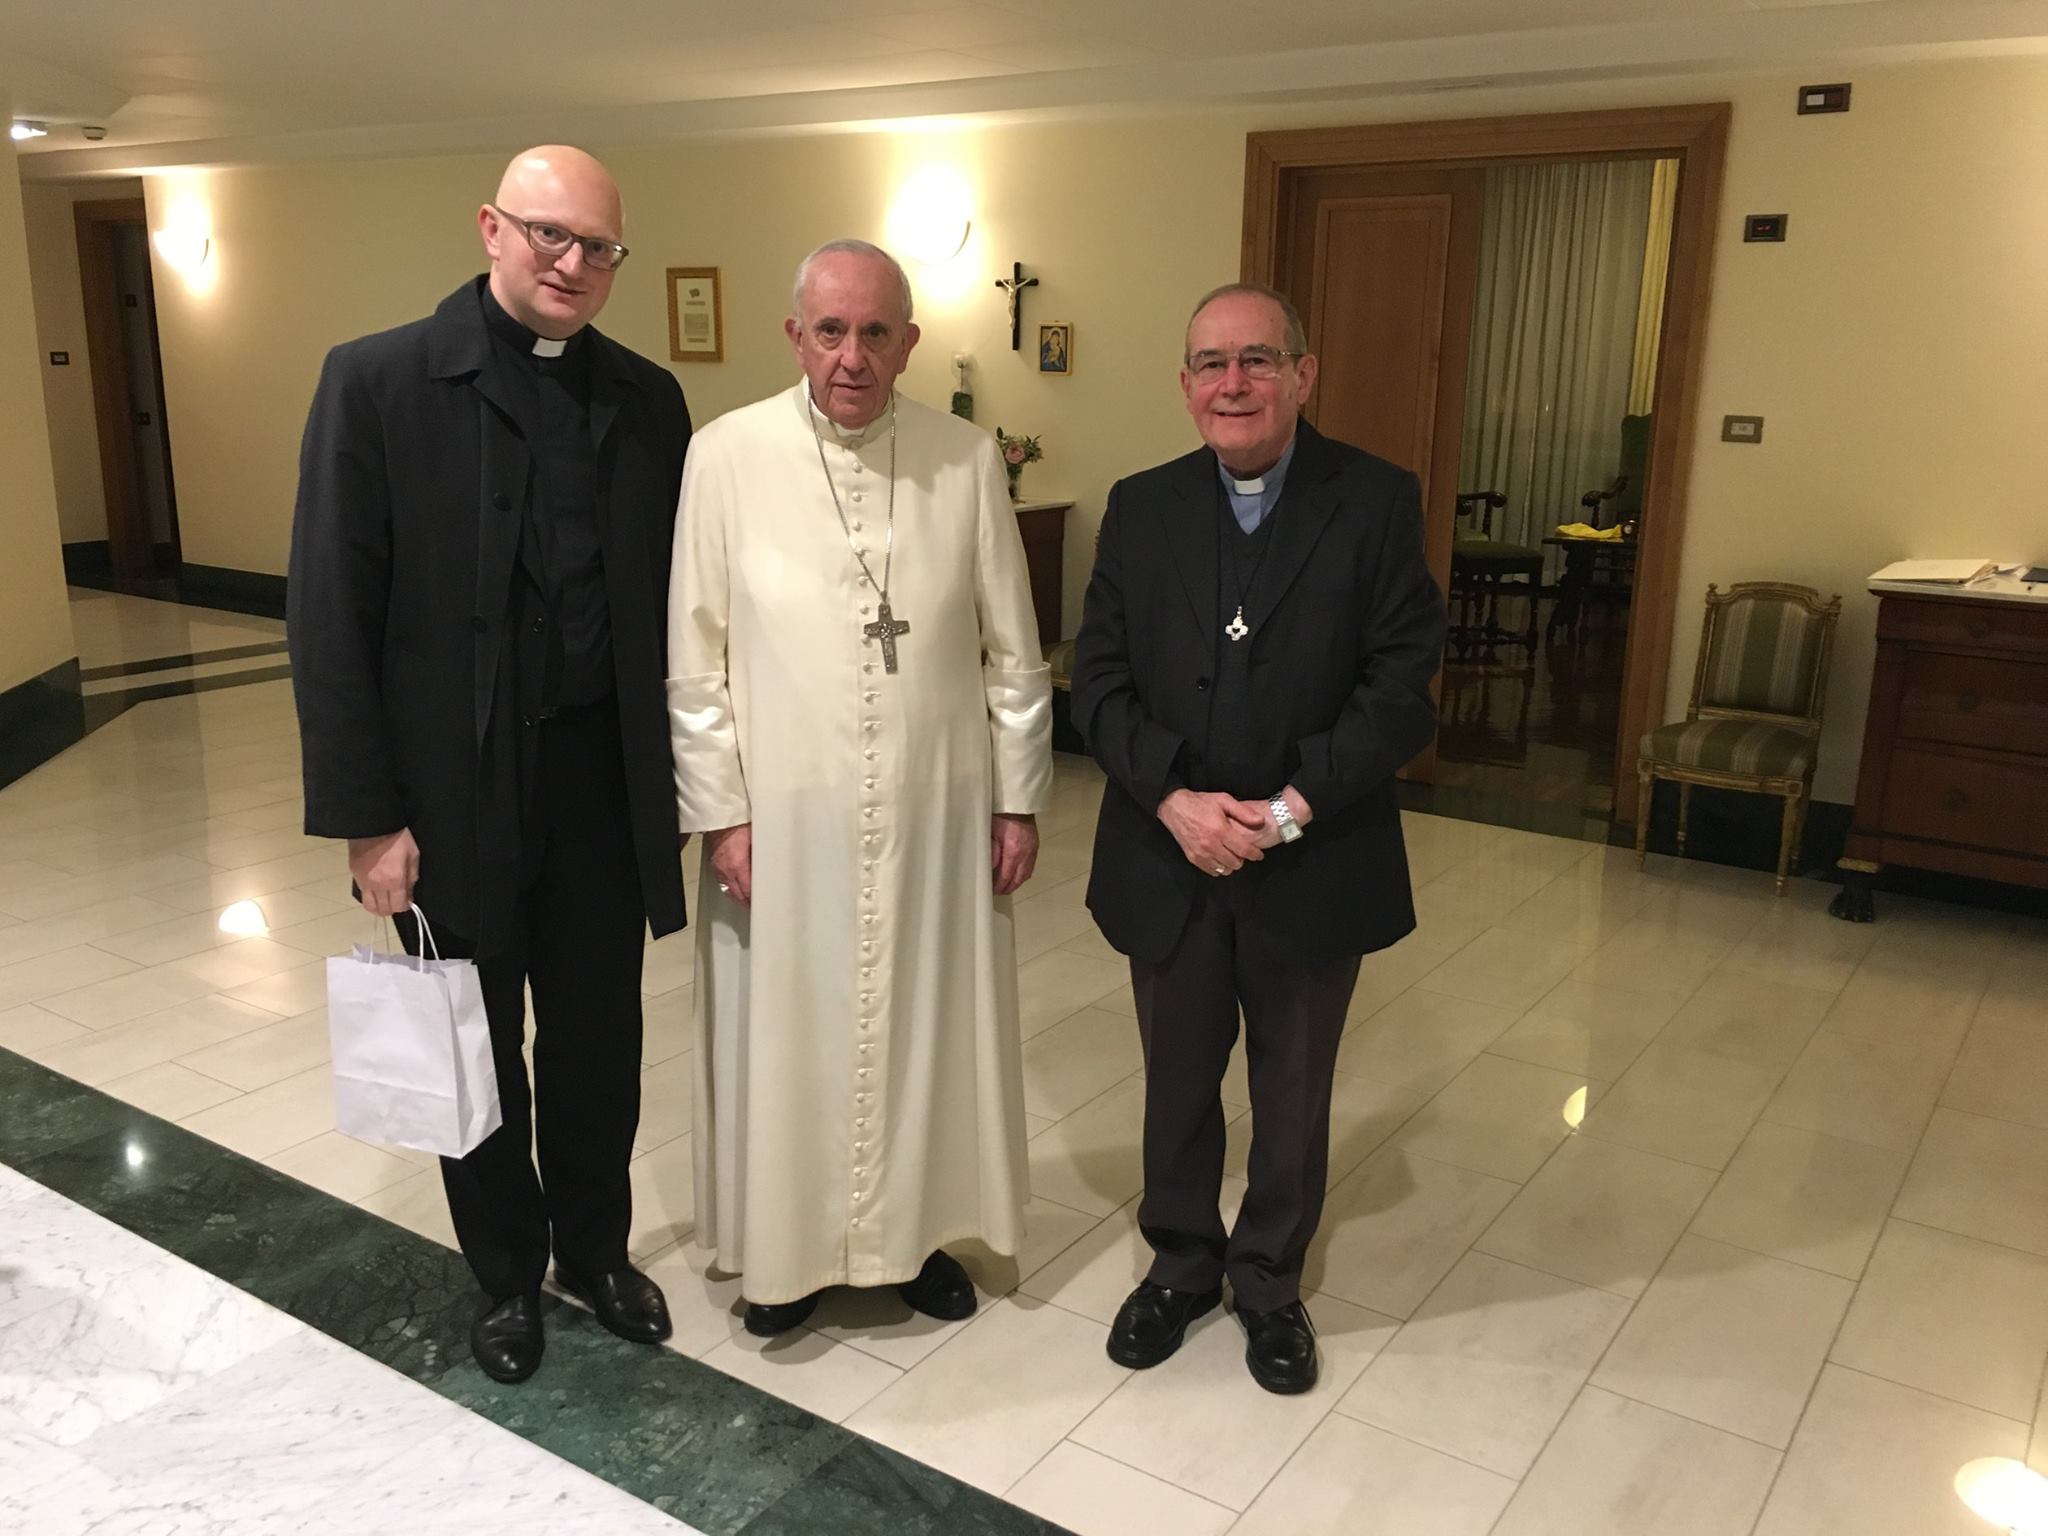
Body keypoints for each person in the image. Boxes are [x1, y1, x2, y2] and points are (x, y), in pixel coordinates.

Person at [288, 146, 691, 1384]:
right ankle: (508, 1274)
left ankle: (596, 1250)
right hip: (452, 793)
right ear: (490, 228)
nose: (572, 264)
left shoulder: (646, 401)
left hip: (600, 785)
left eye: (598, 247)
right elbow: (329, 612)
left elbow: (678, 608)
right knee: (473, 1041)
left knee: (598, 1041)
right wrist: (367, 820)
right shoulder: (377, 383)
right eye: (547, 234)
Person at [667, 238, 1052, 1337]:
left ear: (908, 343)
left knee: (927, 1019)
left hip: (935, 809)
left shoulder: (964, 460)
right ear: (795, 336)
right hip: (781, 818)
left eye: (875, 332)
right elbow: (694, 659)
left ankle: (914, 1240)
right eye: (830, 331)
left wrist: (1015, 800)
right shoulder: (725, 455)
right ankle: (783, 1256)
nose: (852, 356)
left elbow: (1013, 650)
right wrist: (722, 814)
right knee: (785, 1030)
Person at [1070, 282, 1444, 1394]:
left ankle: (1270, 1282)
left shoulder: (1373, 500)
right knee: (1177, 1075)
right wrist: (1175, 801)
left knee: (1293, 1086)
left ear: (1302, 374)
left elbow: (1400, 689)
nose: (1232, 383)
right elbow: (1096, 681)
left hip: (1313, 852)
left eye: (1257, 360)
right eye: (1210, 363)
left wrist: (1285, 812)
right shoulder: (1141, 506)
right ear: (1184, 384)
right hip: (1169, 850)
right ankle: (1182, 1264)